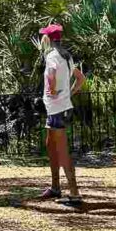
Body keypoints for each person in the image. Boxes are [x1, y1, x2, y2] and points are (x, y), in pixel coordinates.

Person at [39, 23, 85, 206]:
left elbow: (50, 76)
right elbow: (81, 79)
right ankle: (55, 186)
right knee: (50, 144)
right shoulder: (67, 56)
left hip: (56, 108)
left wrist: (52, 90)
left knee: (62, 151)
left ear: (48, 39)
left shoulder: (52, 56)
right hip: (60, 107)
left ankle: (74, 192)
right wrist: (68, 94)